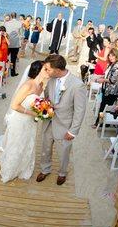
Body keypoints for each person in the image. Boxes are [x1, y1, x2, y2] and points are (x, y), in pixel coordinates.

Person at [36, 55, 87, 186]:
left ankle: (62, 173)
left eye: (48, 69)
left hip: (65, 126)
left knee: (63, 152)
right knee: (45, 148)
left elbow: (80, 110)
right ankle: (45, 169)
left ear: (57, 70)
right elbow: (47, 96)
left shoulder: (77, 85)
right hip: (49, 122)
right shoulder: (52, 79)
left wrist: (73, 131)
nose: (46, 71)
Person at [0, 61, 47, 183]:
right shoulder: (27, 86)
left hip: (31, 123)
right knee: (16, 144)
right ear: (38, 71)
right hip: (20, 120)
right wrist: (33, 113)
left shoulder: (41, 85)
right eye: (45, 69)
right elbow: (15, 105)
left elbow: (38, 103)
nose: (48, 72)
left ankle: (22, 168)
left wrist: (44, 111)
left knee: (27, 144)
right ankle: (9, 171)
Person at [92, 51, 118, 128]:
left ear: (116, 56)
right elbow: (109, 75)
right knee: (103, 106)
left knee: (104, 107)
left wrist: (103, 80)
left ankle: (98, 123)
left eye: (113, 56)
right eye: (109, 56)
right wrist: (103, 77)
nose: (111, 57)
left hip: (112, 91)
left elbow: (113, 80)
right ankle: (103, 123)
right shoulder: (112, 64)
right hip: (107, 89)